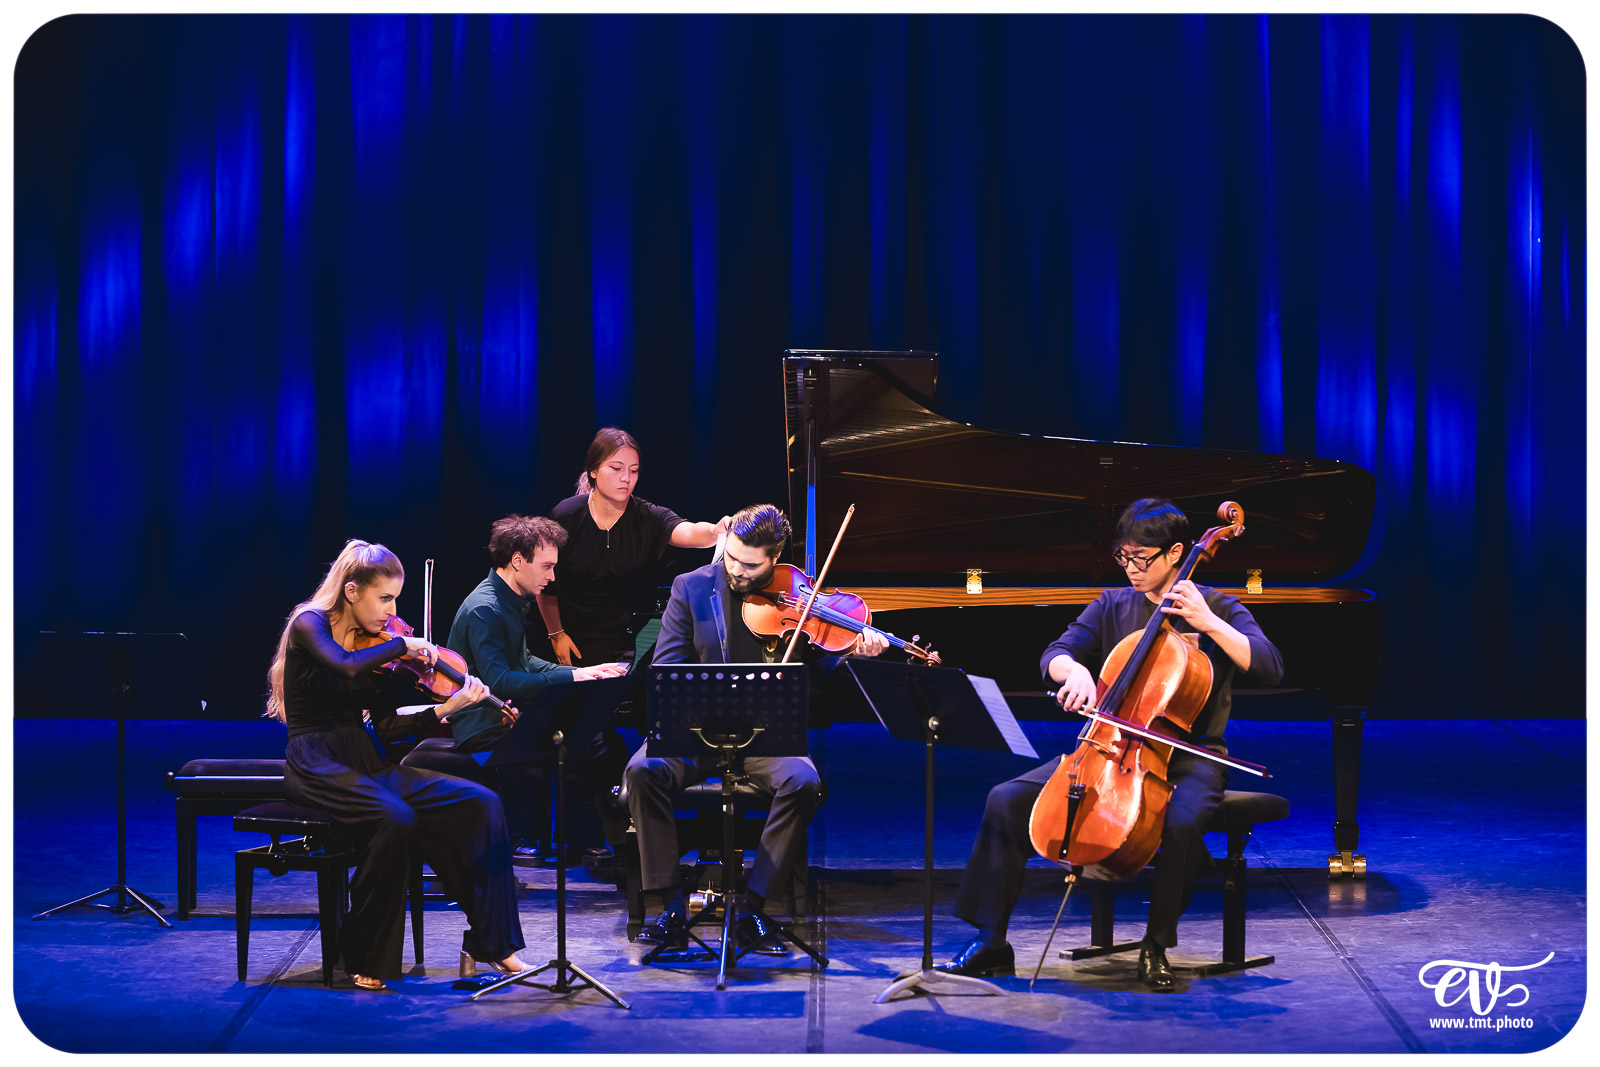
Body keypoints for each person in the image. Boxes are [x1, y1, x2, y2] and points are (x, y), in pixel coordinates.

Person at [939, 498, 1283, 991]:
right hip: (1109, 746)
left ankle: (1156, 945)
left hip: (1189, 758)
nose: (1131, 569)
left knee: (1182, 823)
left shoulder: (1218, 606)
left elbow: (1270, 666)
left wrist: (1208, 623)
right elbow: (1055, 654)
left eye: (1142, 559)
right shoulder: (1112, 604)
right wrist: (1074, 671)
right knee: (1006, 799)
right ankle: (991, 941)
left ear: (1176, 554)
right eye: (1124, 557)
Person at [621, 503, 889, 954]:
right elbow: (666, 668)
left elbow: (824, 676)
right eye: (731, 558)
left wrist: (851, 654)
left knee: (804, 782)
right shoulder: (691, 587)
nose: (736, 571)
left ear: (774, 556)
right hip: (697, 731)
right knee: (642, 772)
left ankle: (753, 910)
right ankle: (670, 908)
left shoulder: (802, 599)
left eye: (749, 564)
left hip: (767, 735)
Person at [265, 539, 531, 990]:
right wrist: (404, 645)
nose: (391, 612)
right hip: (315, 763)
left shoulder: (381, 649)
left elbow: (387, 729)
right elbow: (344, 665)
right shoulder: (309, 625)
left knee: (481, 802)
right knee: (395, 818)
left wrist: (449, 708)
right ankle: (360, 953)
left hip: (365, 762)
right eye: (384, 598)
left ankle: (495, 943)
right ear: (352, 591)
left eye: (395, 600)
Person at [445, 515, 628, 854]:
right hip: (483, 723)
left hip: (508, 713)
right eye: (546, 566)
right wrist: (572, 676)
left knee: (597, 737)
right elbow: (500, 680)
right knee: (587, 743)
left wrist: (585, 671)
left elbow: (525, 661)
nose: (552, 577)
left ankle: (585, 842)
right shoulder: (486, 608)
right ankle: (570, 842)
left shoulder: (510, 600)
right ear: (517, 560)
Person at [536, 427, 730, 668]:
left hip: (620, 639)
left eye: (634, 470)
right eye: (616, 468)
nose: (626, 478)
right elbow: (544, 586)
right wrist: (556, 634)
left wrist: (715, 531)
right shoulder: (566, 516)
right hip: (566, 636)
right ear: (594, 471)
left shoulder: (646, 516)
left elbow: (688, 531)